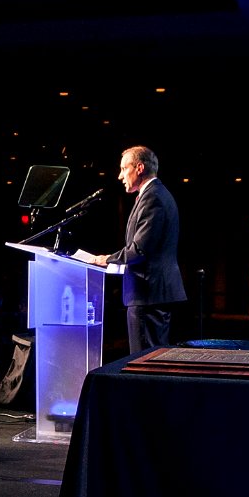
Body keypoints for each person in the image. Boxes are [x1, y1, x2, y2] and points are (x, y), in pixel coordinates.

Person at [85, 145, 187, 352]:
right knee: (149, 362)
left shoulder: (154, 197)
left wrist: (106, 259)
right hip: (150, 293)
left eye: (124, 169)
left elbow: (140, 250)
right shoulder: (151, 194)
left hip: (148, 294)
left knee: (145, 362)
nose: (120, 176)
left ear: (139, 168)